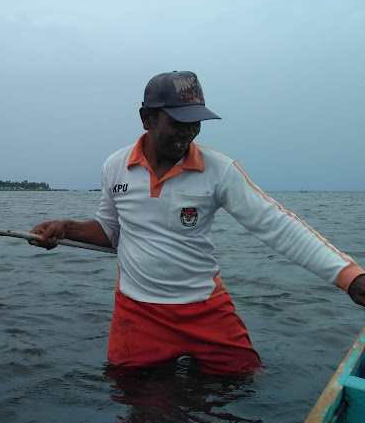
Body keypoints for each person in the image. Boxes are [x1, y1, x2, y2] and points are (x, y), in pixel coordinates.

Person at [29, 70, 365, 376]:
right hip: (137, 313)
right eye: (177, 121)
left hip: (205, 309)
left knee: (244, 390)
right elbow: (110, 231)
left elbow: (276, 225)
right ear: (146, 118)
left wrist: (348, 277)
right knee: (138, 407)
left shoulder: (219, 170)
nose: (187, 133)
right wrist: (65, 228)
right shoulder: (115, 166)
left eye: (196, 122)